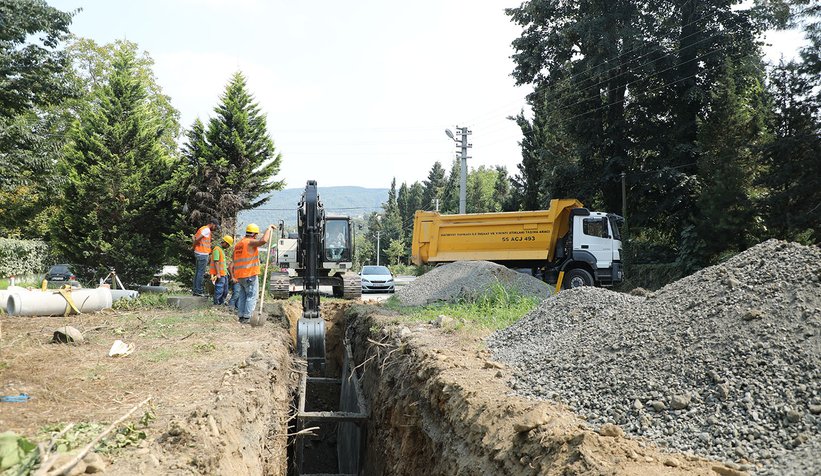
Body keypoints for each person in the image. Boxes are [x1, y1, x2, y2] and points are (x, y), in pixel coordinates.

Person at [232, 223, 275, 324]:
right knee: (251, 296)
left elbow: (233, 258)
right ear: (254, 235)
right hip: (249, 274)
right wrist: (268, 229)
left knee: (243, 295)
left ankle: (241, 316)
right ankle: (248, 317)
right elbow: (263, 241)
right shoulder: (249, 242)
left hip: (240, 275)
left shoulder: (239, 244)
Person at [192, 219, 219, 296]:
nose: (215, 228)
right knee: (200, 273)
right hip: (202, 254)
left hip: (198, 252)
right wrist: (194, 245)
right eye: (215, 226)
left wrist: (194, 247)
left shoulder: (202, 228)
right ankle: (199, 291)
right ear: (212, 224)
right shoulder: (206, 230)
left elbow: (193, 237)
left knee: (198, 272)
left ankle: (195, 290)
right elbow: (197, 239)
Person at [209, 235, 233, 305]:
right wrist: (218, 273)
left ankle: (221, 303)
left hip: (224, 274)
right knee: (219, 290)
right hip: (219, 274)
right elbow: (216, 262)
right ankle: (216, 304)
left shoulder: (221, 250)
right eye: (228, 245)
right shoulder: (217, 249)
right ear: (225, 243)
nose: (228, 247)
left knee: (225, 291)